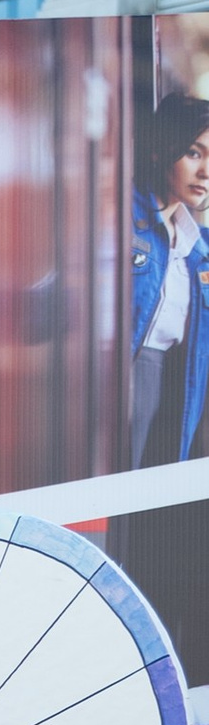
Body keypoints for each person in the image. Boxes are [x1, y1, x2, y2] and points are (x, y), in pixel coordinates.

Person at [130, 90, 209, 467]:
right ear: (161, 149)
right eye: (195, 153)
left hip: (174, 392)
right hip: (118, 379)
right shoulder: (124, 214)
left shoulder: (199, 250)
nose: (206, 171)